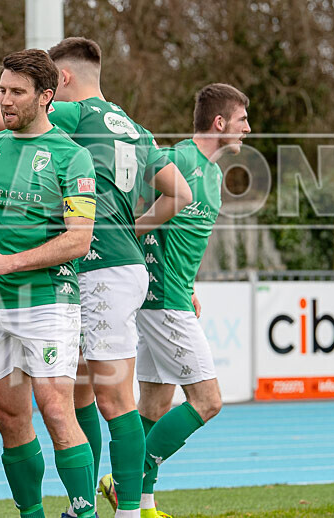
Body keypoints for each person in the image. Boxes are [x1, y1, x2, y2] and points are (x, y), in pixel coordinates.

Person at [0, 49, 98, 518]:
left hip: (49, 302)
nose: (4, 100)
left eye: (15, 92)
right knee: (10, 417)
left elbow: (79, 240)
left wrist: (9, 263)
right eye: (2, 90)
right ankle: (32, 513)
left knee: (54, 409)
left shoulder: (73, 157)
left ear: (46, 96)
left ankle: (84, 511)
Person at [45, 37, 192, 518]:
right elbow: (180, 194)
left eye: (47, 84)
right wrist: (134, 226)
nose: (43, 95)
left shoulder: (75, 115)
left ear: (63, 78)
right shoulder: (132, 126)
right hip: (115, 264)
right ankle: (85, 503)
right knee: (84, 389)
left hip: (102, 270)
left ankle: (128, 509)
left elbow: (9, 120)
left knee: (113, 396)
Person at [134, 83, 250, 518]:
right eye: (241, 120)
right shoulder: (177, 159)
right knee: (208, 401)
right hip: (163, 300)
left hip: (177, 294)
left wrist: (192, 283)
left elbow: (184, 237)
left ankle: (141, 504)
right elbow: (138, 216)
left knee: (156, 402)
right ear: (219, 123)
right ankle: (130, 474)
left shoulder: (214, 175)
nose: (248, 129)